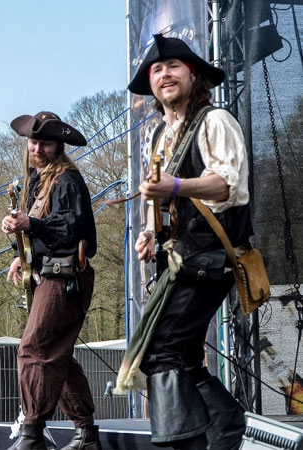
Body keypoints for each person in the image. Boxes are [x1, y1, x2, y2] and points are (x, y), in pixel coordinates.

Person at [122, 34, 253, 449]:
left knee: (162, 351)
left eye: (174, 66)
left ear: (193, 76)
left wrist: (176, 185)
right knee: (184, 356)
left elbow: (227, 186)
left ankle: (182, 444)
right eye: (157, 70)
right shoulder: (162, 135)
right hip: (181, 260)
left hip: (211, 258)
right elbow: (157, 197)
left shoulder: (215, 122)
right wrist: (148, 233)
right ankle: (225, 422)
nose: (165, 74)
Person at [2, 111, 101, 450]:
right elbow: (44, 233)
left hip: (67, 276)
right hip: (51, 273)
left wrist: (31, 225)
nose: (37, 148)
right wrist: (22, 252)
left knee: (34, 350)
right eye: (33, 141)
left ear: (58, 145)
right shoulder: (39, 181)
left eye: (44, 143)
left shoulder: (67, 180)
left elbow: (71, 230)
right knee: (57, 354)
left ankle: (32, 432)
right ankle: (86, 433)